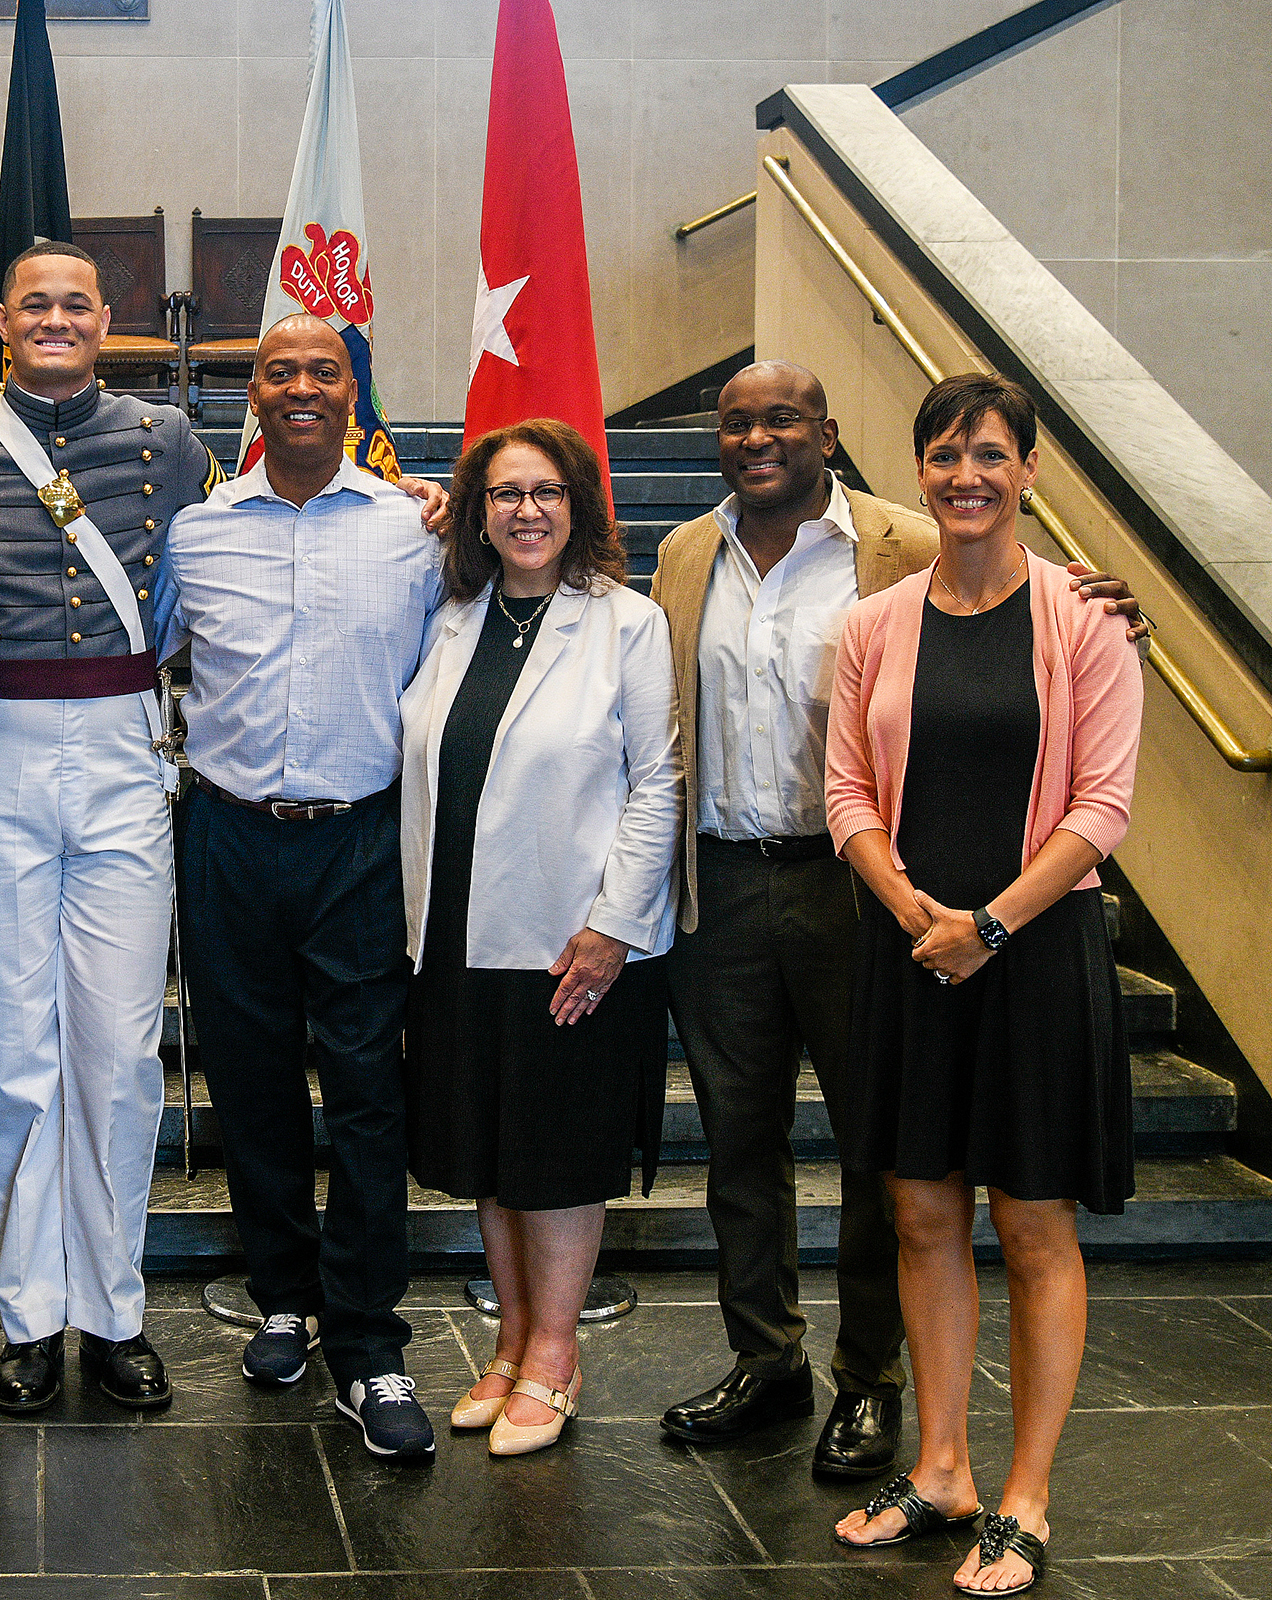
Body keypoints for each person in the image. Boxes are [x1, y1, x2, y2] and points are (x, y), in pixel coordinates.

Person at [0, 243, 439, 1413]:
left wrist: (422, 498)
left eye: (76, 303)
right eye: (33, 303)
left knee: (123, 1051)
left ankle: (116, 1310)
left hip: (130, 749)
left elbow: (209, 578)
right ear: (0, 318)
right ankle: (31, 1313)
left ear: (108, 319)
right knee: (17, 1047)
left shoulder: (171, 440)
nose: (54, 319)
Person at [652, 361, 1146, 1478]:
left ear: (828, 431)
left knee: (885, 1154)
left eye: (781, 418)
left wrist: (1113, 599)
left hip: (866, 898)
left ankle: (869, 1383)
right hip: (730, 881)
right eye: (736, 422)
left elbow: (1022, 613)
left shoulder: (899, 542)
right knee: (743, 1140)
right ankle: (765, 1357)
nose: (758, 437)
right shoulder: (685, 554)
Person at [829, 374, 1143, 1596]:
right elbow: (848, 788)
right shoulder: (874, 623)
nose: (968, 474)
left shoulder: (1087, 617)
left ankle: (1025, 1496)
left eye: (992, 454)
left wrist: (990, 929)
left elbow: (1102, 807)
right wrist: (913, 909)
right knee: (920, 1212)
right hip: (912, 951)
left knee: (1030, 1223)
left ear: (1026, 470)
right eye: (947, 454)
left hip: (1034, 955)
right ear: (919, 469)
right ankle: (945, 1465)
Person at [157, 315, 444, 1458]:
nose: (302, 387)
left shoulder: (412, 530)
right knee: (254, 1082)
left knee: (370, 1091)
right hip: (227, 835)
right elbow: (153, 651)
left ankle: (369, 1341)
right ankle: (283, 1297)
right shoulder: (196, 530)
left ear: (353, 391)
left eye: (324, 370)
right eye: (281, 372)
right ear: (256, 394)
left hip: (362, 840)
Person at [399, 417, 679, 1458]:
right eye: (505, 493)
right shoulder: (453, 616)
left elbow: (658, 784)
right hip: (457, 933)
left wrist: (614, 927)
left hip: (571, 941)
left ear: (579, 508)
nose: (526, 511)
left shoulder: (626, 623)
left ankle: (556, 1356)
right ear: (476, 511)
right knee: (489, 1146)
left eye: (547, 492)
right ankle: (511, 1346)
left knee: (557, 1154)